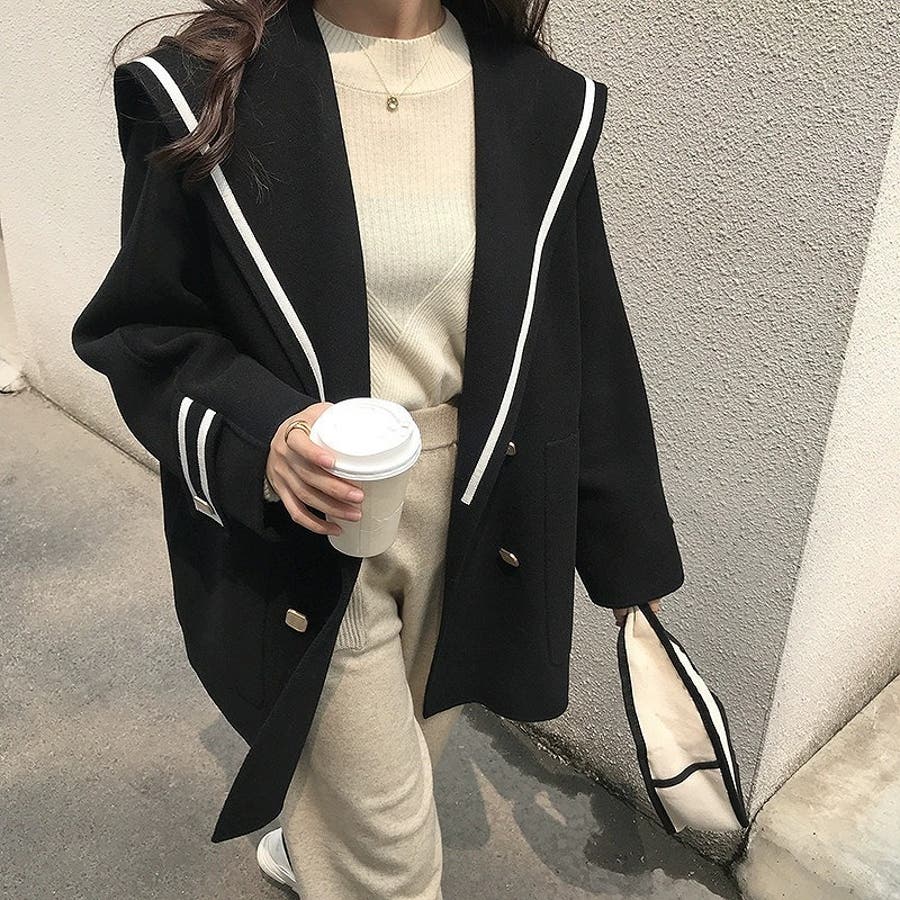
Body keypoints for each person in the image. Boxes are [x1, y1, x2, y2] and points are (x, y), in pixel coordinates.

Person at [71, 0, 682, 896]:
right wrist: (265, 432)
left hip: (481, 511)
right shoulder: (204, 87)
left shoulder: (538, 100)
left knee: (406, 752)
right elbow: (143, 330)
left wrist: (629, 562)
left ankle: (315, 841)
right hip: (314, 519)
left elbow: (585, 340)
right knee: (392, 864)